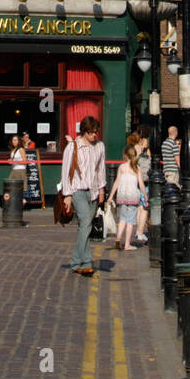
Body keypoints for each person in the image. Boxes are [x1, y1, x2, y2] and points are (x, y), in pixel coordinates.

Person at [61, 116, 106, 277]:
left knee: (84, 226)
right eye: (91, 132)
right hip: (77, 190)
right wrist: (67, 194)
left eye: (96, 132)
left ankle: (75, 261)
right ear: (84, 132)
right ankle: (86, 262)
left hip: (93, 190)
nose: (95, 135)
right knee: (86, 221)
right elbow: (66, 171)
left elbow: (100, 169)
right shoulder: (72, 147)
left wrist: (101, 189)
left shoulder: (100, 146)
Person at [107, 143, 147, 252]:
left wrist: (111, 196)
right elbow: (141, 184)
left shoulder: (121, 167)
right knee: (130, 221)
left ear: (125, 155)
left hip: (122, 197)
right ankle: (127, 244)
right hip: (133, 198)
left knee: (122, 219)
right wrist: (145, 196)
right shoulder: (137, 168)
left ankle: (118, 238)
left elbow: (116, 182)